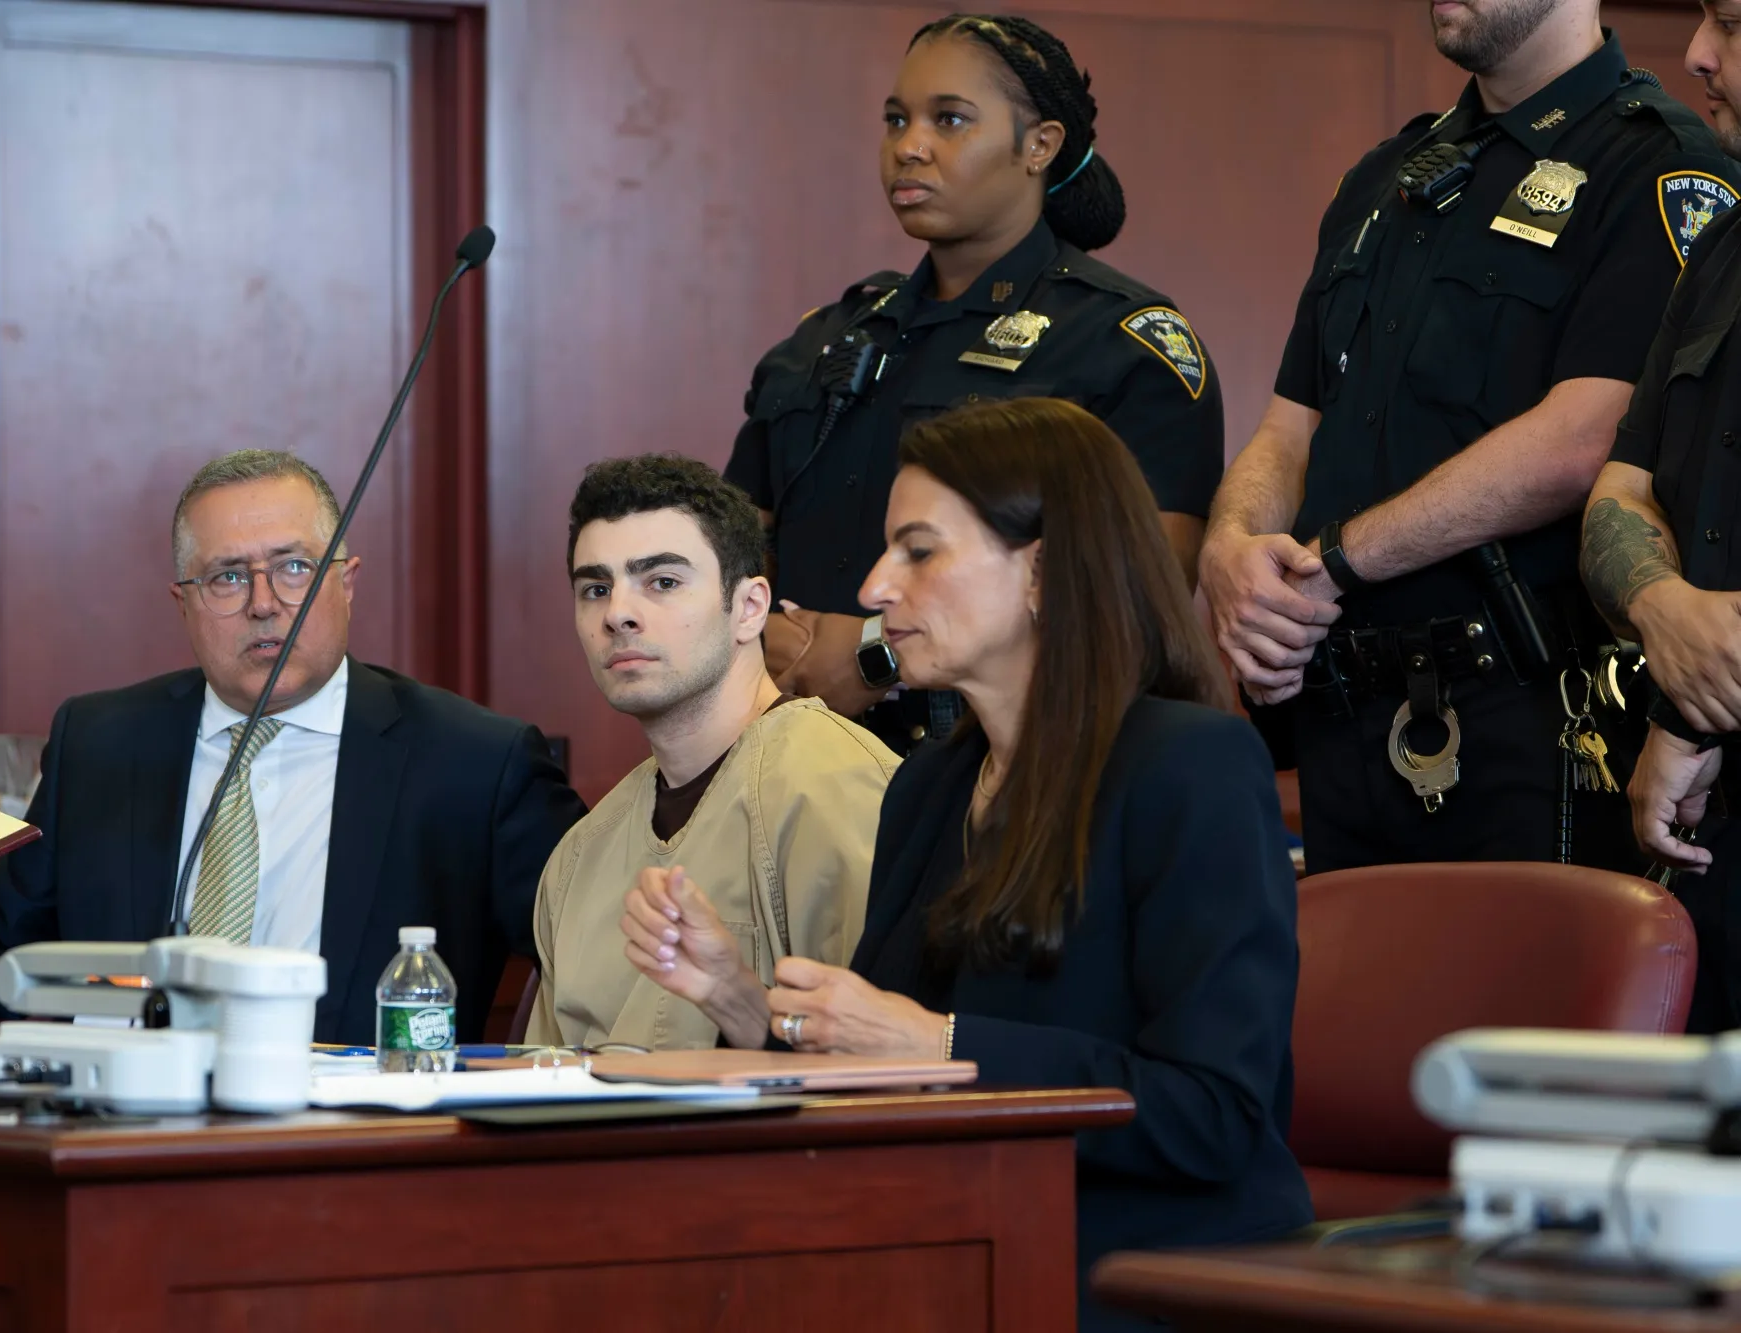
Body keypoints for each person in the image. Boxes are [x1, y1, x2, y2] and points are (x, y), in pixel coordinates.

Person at [629, 399, 1309, 1329]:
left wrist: (938, 1047)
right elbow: (871, 1064)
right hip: (954, 1247)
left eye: (919, 550)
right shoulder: (929, 787)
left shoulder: (1194, 768)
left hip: (1138, 1277)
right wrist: (743, 1003)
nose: (872, 587)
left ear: (1040, 570)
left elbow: (1214, 1115)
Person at [1201, 0, 1741, 875]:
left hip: (1525, 715)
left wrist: (1333, 561)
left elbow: (1585, 440)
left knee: (1521, 1007)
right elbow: (1289, 429)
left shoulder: (1660, 163)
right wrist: (1231, 553)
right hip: (1341, 705)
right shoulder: (1385, 177)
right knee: (1348, 1010)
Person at [725, 13, 1225, 754]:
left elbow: (1133, 607)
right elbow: (727, 554)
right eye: (897, 119)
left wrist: (876, 652)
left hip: (1007, 768)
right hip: (792, 764)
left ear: (1039, 146)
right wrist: (761, 632)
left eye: (949, 120)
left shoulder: (1121, 343)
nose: (909, 147)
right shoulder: (825, 340)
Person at [0, 450, 586, 1046]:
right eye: (228, 577)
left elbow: (598, 955)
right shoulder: (99, 744)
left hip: (359, 1134)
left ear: (346, 583)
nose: (264, 603)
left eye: (294, 567)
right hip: (121, 1123)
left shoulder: (473, 762)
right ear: (184, 603)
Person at [526, 455, 895, 1052]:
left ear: (750, 608)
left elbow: (884, 1078)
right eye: (595, 588)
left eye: (663, 582)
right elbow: (537, 1083)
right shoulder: (577, 856)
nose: (617, 612)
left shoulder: (833, 783)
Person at [1579, 5, 1741, 1032]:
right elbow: (1617, 491)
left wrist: (1693, 706)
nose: (1692, 54)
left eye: (1727, 22)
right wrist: (1660, 606)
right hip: (1712, 835)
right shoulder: (1722, 244)